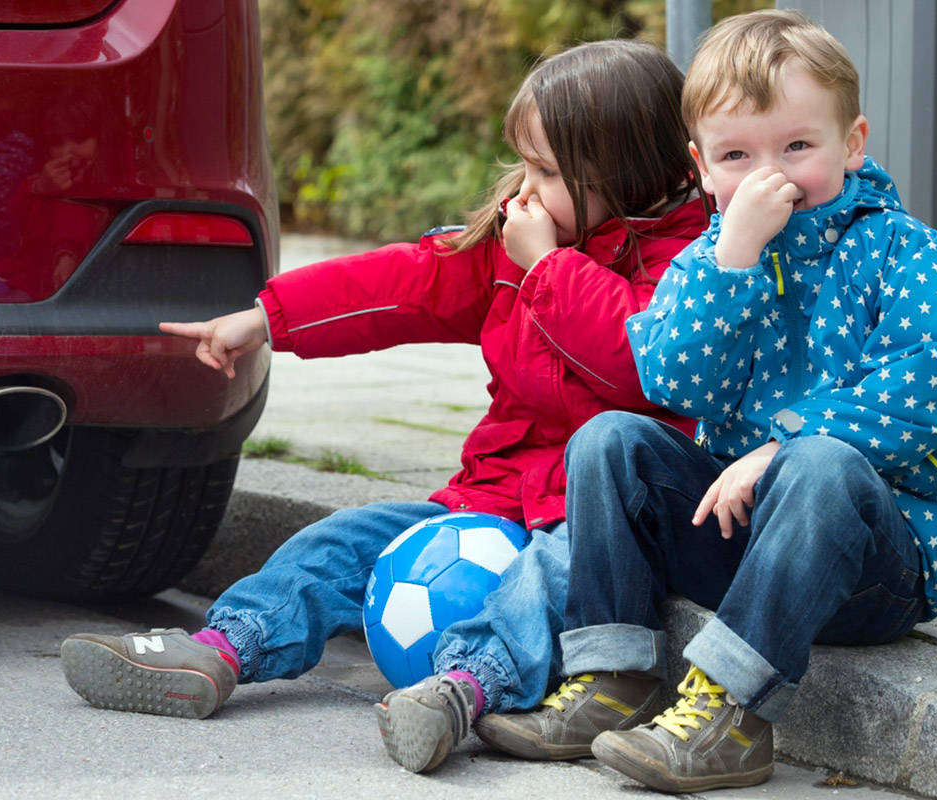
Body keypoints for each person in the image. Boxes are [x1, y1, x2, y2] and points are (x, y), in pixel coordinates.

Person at [58, 38, 707, 774]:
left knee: (545, 585)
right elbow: (402, 284)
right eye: (525, 163)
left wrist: (552, 267)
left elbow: (634, 365)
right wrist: (267, 319)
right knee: (343, 540)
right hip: (491, 498)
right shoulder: (522, 241)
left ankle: (465, 690)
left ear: (625, 173)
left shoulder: (690, 265)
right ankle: (222, 648)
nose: (523, 189)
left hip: (592, 524)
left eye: (549, 171)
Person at [476, 9, 937, 793]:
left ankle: (730, 713)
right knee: (611, 439)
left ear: (852, 143)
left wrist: (785, 445)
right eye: (737, 155)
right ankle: (611, 679)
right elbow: (673, 380)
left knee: (819, 464)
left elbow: (934, 375)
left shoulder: (896, 246)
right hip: (744, 542)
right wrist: (734, 256)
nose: (768, 174)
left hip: (876, 568)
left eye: (797, 146)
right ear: (702, 165)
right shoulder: (707, 258)